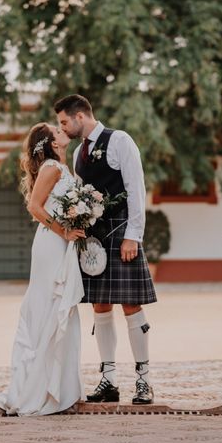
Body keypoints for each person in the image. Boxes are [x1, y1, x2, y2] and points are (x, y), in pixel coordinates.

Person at [54, 94, 157, 405]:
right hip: (94, 238)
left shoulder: (119, 141)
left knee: (131, 305)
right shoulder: (78, 155)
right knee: (100, 306)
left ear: (80, 117)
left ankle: (143, 381)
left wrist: (133, 236)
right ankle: (109, 381)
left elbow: (136, 189)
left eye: (63, 122)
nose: (63, 128)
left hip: (120, 232)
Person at [0, 123, 86, 416]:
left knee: (62, 308)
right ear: (51, 143)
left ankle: (60, 388)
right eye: (56, 131)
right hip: (51, 244)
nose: (62, 131)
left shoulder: (62, 167)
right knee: (50, 306)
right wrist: (64, 232)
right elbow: (35, 207)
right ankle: (40, 389)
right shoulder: (52, 168)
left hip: (60, 243)